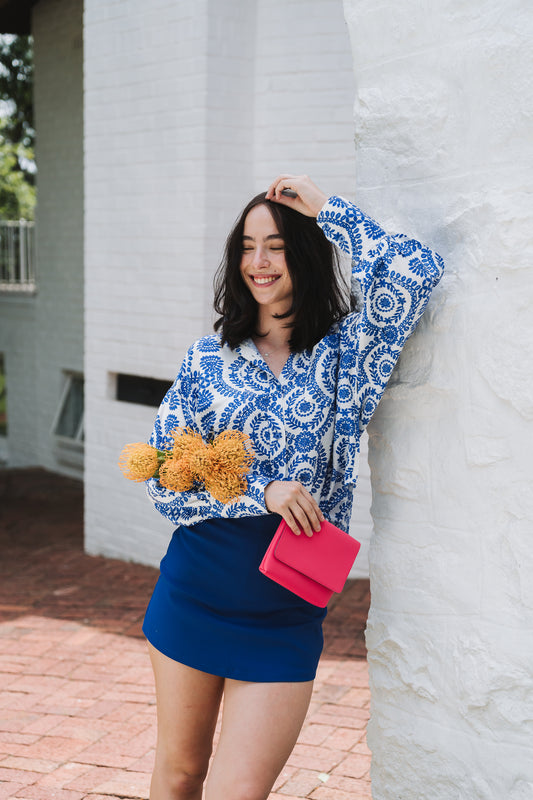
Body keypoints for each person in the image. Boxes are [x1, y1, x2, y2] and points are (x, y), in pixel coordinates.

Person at [141, 174, 444, 799]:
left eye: (276, 244)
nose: (259, 262)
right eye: (248, 247)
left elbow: (418, 270)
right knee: (178, 776)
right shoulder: (207, 360)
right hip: (195, 589)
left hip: (285, 610)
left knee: (237, 792)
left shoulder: (346, 357)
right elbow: (163, 474)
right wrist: (262, 491)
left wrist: (326, 209)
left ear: (303, 251)